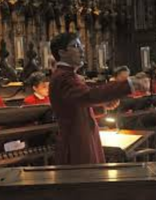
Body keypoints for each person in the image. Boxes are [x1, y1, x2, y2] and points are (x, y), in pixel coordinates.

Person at [49, 32, 149, 165]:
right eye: (75, 46)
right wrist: (129, 85)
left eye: (81, 45)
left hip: (82, 135)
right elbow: (88, 96)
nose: (81, 49)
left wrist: (102, 105)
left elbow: (76, 105)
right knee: (84, 181)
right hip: (76, 141)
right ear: (62, 52)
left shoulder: (68, 75)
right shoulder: (63, 77)